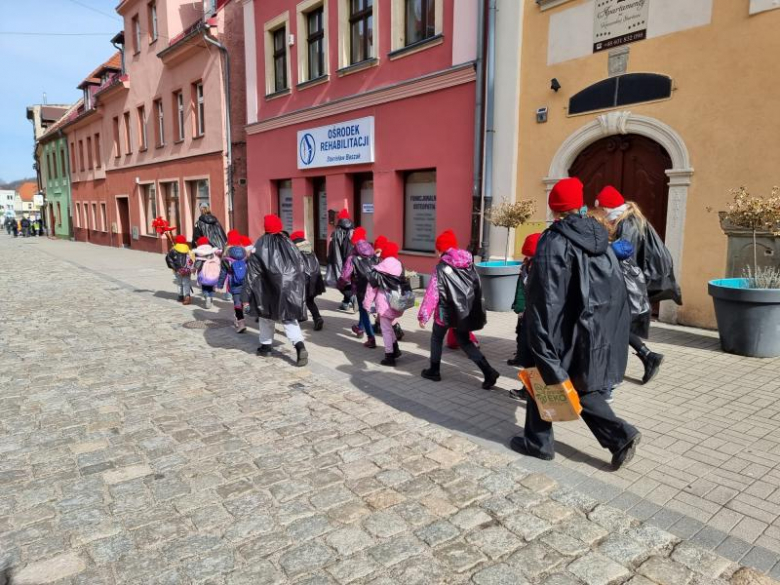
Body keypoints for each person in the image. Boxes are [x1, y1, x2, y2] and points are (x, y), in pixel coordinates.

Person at [510, 177, 640, 469]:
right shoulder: (599, 235)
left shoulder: (552, 241)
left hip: (560, 327)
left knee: (543, 376)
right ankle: (618, 437)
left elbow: (546, 297)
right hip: (591, 327)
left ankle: (542, 443)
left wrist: (542, 341)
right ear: (580, 205)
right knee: (572, 385)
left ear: (554, 209)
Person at [595, 185, 681, 384]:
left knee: (616, 322)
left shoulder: (628, 224)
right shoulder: (627, 220)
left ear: (606, 208)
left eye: (599, 209)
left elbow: (624, 254)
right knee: (618, 322)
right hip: (635, 279)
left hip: (631, 281)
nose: (598, 212)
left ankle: (646, 356)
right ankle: (648, 356)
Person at [418, 229, 499, 390]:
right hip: (463, 311)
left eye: (438, 248)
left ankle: (434, 370)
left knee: (436, 338)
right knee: (465, 341)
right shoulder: (469, 263)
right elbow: (476, 285)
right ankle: (488, 371)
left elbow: (433, 293)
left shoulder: (441, 268)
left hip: (445, 312)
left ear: (441, 249)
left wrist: (423, 315)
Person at [244, 215, 309, 366]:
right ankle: (300, 346)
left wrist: (245, 294)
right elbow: (301, 263)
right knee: (289, 318)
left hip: (268, 288)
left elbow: (252, 271)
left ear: (266, 227)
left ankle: (266, 346)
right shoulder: (289, 242)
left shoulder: (261, 244)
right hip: (291, 286)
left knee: (265, 316)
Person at [364, 242, 408, 366]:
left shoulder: (378, 270)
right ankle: (396, 350)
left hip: (384, 305)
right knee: (389, 327)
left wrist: (367, 304)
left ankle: (389, 357)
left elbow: (371, 289)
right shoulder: (400, 266)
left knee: (386, 331)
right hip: (397, 303)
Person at [340, 227, 378, 347]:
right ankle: (359, 327)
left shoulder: (352, 257)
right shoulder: (373, 254)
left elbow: (345, 275)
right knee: (363, 308)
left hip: (360, 287)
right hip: (373, 285)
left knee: (364, 310)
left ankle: (370, 338)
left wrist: (340, 284)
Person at [508, 233, 541, 367]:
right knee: (519, 333)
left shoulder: (539, 267)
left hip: (533, 310)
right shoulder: (525, 265)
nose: (527, 256)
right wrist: (518, 305)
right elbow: (520, 288)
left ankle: (526, 359)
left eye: (530, 254)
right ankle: (520, 356)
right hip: (524, 308)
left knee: (528, 338)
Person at [291, 230, 326, 331]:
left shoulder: (294, 250)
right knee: (309, 300)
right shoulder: (309, 249)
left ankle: (298, 319)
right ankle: (317, 318)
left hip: (302, 279)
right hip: (314, 278)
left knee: (297, 299)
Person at [218, 231, 250, 333]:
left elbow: (223, 272)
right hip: (246, 282)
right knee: (245, 299)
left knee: (237, 303)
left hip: (234, 283)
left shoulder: (226, 255)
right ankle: (247, 304)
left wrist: (220, 284)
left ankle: (241, 324)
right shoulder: (245, 253)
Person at [325, 209, 355, 312]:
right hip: (352, 261)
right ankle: (346, 303)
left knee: (340, 282)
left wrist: (331, 260)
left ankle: (352, 298)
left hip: (340, 261)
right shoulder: (353, 230)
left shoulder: (336, 232)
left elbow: (334, 250)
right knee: (349, 281)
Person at [165, 234, 195, 305]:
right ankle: (187, 296)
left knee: (179, 283)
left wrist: (174, 268)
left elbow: (168, 259)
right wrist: (192, 269)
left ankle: (180, 296)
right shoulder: (188, 249)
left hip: (177, 270)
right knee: (186, 283)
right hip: (187, 270)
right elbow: (193, 259)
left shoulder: (173, 249)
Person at [194, 236, 220, 309]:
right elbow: (217, 261)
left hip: (203, 274)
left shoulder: (199, 253)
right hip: (212, 274)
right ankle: (210, 297)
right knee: (211, 287)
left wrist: (194, 269)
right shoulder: (212, 252)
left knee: (205, 287)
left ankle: (207, 297)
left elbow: (197, 264)